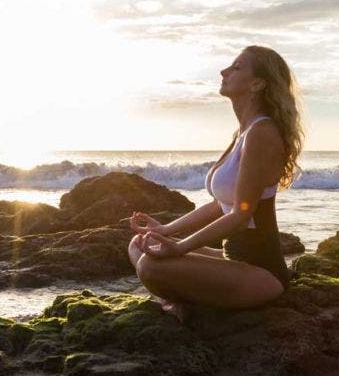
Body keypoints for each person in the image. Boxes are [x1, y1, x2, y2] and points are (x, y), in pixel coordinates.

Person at [127, 45, 304, 322]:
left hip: (261, 273)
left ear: (257, 83)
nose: (224, 71)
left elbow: (241, 213)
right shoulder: (244, 132)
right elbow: (219, 205)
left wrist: (181, 247)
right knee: (140, 242)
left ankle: (180, 302)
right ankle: (179, 301)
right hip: (231, 260)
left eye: (236, 67)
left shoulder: (262, 133)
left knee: (150, 266)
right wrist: (166, 229)